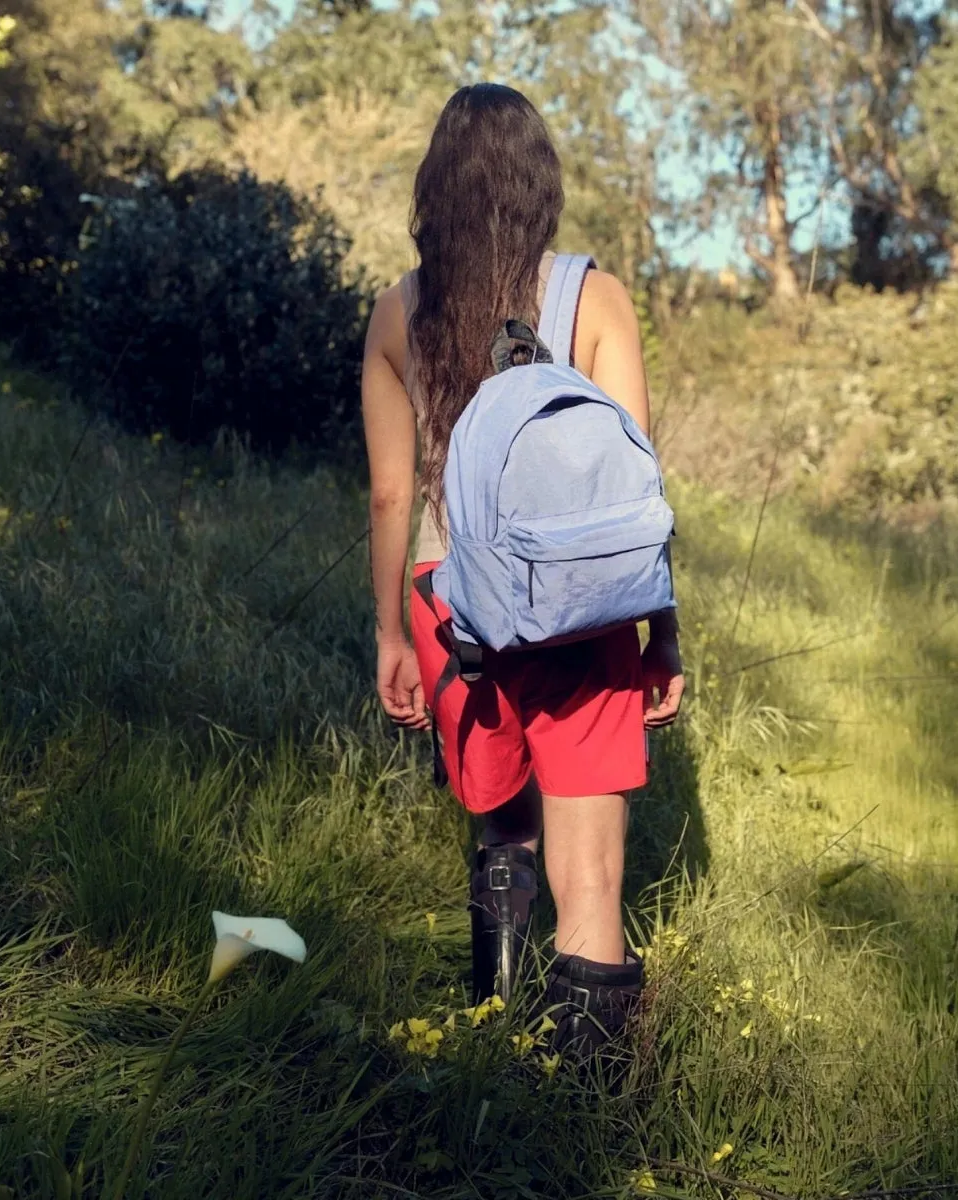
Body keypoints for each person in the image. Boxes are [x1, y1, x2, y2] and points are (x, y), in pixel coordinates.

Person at [361, 82, 684, 1056]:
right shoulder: (598, 296)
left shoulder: (398, 311)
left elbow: (388, 497)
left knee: (505, 833)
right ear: (541, 186)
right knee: (593, 876)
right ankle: (583, 1100)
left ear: (436, 189)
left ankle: (490, 1038)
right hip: (582, 604)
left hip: (449, 599)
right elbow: (637, 485)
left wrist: (390, 634)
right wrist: (662, 632)